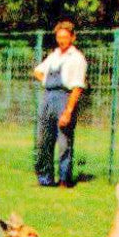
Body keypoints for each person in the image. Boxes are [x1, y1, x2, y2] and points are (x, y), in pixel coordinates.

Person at [32, 20, 86, 187]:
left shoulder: (77, 58)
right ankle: (46, 178)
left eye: (65, 37)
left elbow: (77, 87)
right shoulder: (54, 56)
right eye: (59, 37)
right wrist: (46, 81)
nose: (61, 40)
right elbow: (37, 71)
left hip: (64, 97)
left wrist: (68, 111)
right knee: (43, 140)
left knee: (64, 142)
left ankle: (64, 179)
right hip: (48, 97)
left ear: (72, 38)